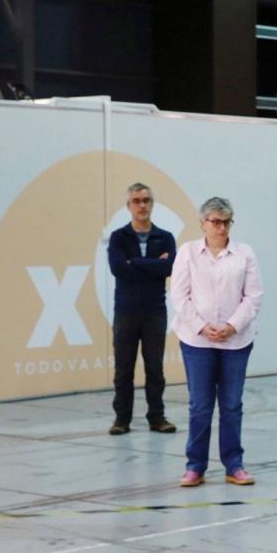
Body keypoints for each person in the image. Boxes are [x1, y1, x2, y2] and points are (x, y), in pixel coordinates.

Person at [170, 197, 263, 487]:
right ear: (203, 223)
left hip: (236, 342)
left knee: (232, 404)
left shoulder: (244, 253)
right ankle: (195, 466)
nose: (221, 228)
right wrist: (201, 326)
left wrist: (232, 325)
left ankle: (233, 464)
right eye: (215, 222)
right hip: (197, 342)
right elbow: (179, 295)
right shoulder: (187, 252)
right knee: (200, 405)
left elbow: (254, 296)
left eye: (226, 222)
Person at [106, 182, 177, 435]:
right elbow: (118, 268)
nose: (142, 205)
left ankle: (157, 417)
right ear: (128, 206)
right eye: (136, 201)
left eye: (146, 200)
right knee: (124, 368)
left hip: (154, 312)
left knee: (155, 368)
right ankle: (121, 419)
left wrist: (134, 263)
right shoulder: (118, 237)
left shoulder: (165, 237)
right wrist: (151, 265)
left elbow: (170, 269)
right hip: (126, 312)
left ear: (152, 204)